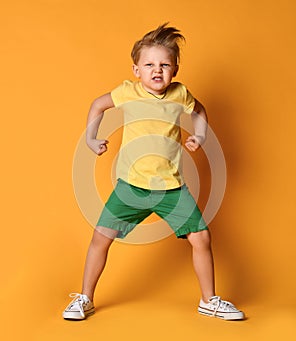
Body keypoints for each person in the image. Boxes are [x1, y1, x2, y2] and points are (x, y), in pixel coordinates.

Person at [62, 23, 245, 321]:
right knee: (100, 238)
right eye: (149, 64)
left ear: (175, 69)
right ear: (136, 70)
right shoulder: (128, 92)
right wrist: (90, 139)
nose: (156, 70)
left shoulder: (179, 95)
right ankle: (84, 298)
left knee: (201, 238)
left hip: (172, 188)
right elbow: (98, 105)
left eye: (164, 65)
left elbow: (199, 111)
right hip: (131, 187)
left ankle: (209, 300)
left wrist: (200, 137)